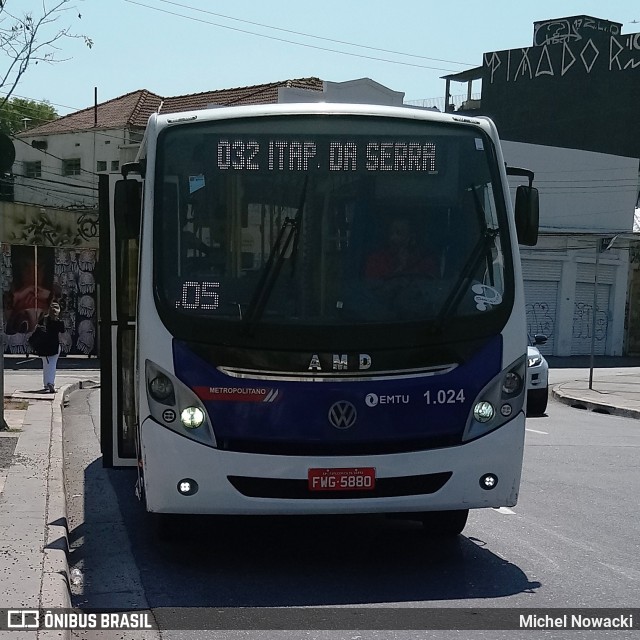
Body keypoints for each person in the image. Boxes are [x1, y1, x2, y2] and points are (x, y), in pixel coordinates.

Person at [365, 216, 437, 279]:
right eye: (391, 233)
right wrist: (400, 267)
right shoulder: (376, 260)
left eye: (399, 233)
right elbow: (371, 286)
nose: (392, 238)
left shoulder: (425, 262)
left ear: (412, 238)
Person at [36, 302, 65, 393]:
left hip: (43, 345)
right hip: (54, 345)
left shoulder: (44, 319)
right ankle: (50, 383)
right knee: (52, 364)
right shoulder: (58, 322)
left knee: (46, 365)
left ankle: (46, 384)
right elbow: (62, 331)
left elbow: (37, 328)